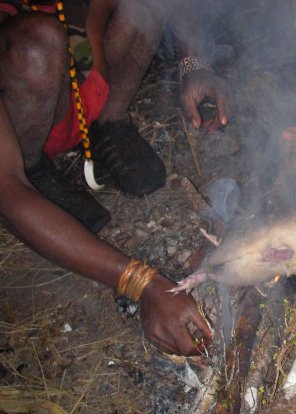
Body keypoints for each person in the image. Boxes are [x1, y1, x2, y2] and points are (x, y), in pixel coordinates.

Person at [0, 0, 234, 355]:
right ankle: (34, 166)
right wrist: (142, 284)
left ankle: (110, 123)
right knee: (37, 47)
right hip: (17, 126)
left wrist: (194, 63)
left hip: (83, 94)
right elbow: (7, 190)